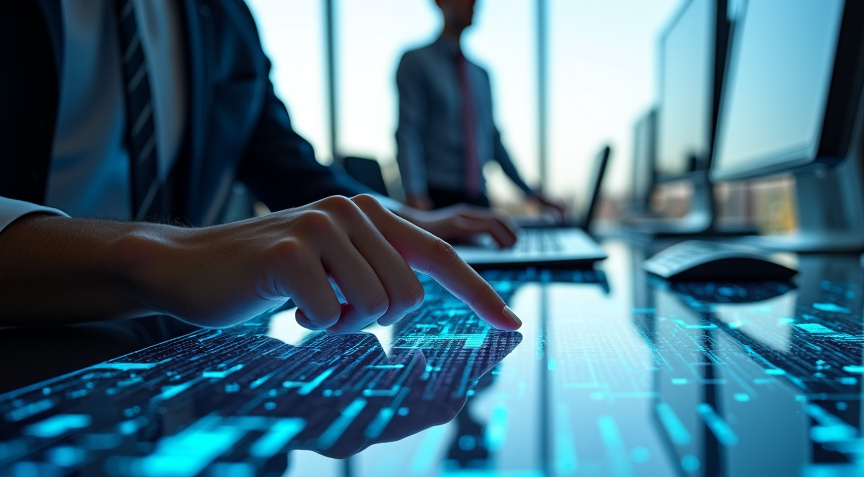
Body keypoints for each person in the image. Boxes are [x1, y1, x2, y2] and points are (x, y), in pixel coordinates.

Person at [0, 1, 522, 333]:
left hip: (177, 347)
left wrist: (406, 218)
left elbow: (289, 167)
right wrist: (157, 259)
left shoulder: (226, 18)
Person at [395, 0, 567, 216]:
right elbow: (408, 131)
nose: (475, 2)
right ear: (440, 2)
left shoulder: (481, 74)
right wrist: (414, 193)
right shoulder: (415, 61)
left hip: (479, 200)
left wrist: (532, 194)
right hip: (434, 199)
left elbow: (493, 142)